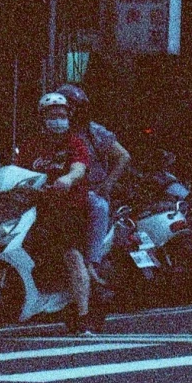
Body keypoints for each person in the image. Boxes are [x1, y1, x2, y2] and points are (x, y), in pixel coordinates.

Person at [26, 91, 95, 333]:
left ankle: (83, 315)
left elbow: (79, 169)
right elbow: (18, 171)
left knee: (71, 255)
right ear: (42, 118)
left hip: (68, 207)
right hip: (36, 206)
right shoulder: (32, 145)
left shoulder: (75, 143)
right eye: (51, 115)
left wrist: (67, 179)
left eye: (61, 115)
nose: (57, 120)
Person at [63, 84, 130, 270]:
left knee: (99, 206)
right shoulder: (52, 134)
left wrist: (107, 185)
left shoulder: (94, 132)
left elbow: (123, 156)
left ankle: (93, 262)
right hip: (59, 192)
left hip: (90, 191)